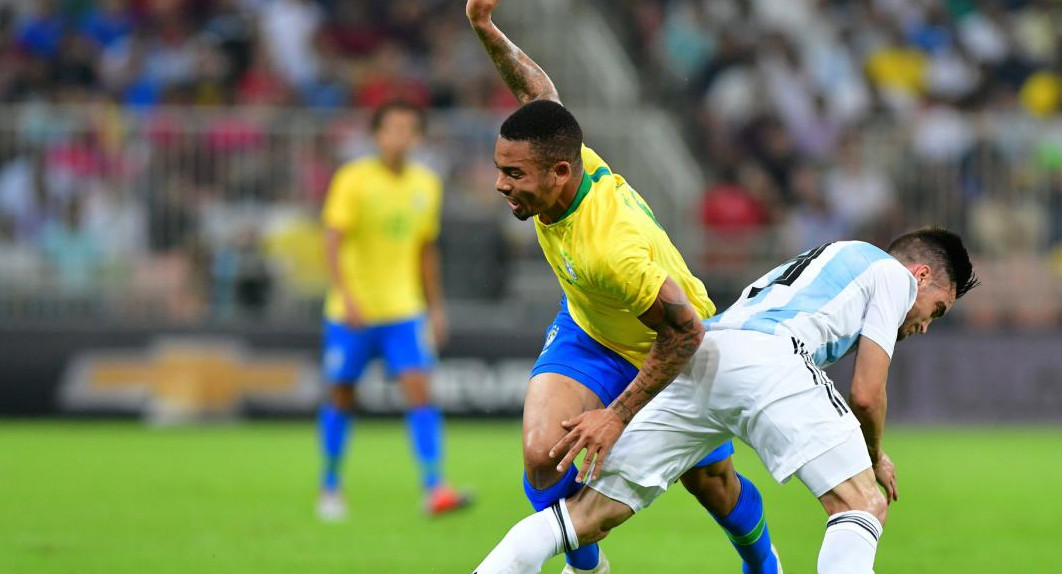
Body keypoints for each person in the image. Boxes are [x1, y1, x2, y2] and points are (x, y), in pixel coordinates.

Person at [466, 1, 779, 572]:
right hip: (590, 329)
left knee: (716, 489)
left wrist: (617, 415)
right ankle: (588, 568)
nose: (499, 184)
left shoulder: (612, 247)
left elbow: (686, 331)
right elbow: (540, 93)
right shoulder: (563, 159)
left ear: (560, 174)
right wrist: (487, 31)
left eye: (514, 175)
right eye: (500, 168)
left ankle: (765, 565)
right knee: (543, 457)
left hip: (676, 350)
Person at [473, 228, 979, 574]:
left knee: (582, 518)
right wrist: (874, 457)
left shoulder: (838, 254)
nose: (924, 324)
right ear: (920, 275)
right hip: (769, 358)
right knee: (861, 501)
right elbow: (866, 395)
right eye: (936, 308)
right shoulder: (891, 275)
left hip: (706, 351)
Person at [316, 100, 470, 520]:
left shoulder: (426, 184)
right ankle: (330, 485)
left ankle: (434, 486)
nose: (400, 137)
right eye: (392, 129)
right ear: (377, 135)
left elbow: (425, 250)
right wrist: (345, 295)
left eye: (409, 129)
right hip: (353, 313)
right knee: (341, 394)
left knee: (420, 392)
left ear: (418, 137)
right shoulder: (353, 179)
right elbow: (332, 239)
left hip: (404, 311)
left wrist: (436, 308)